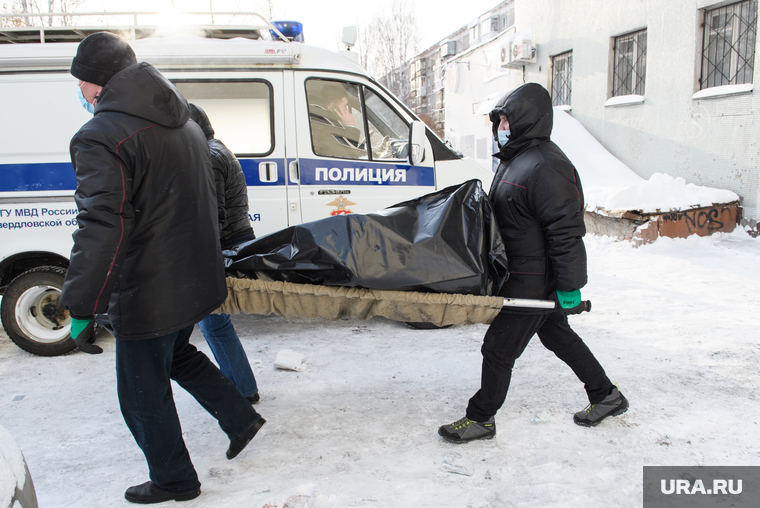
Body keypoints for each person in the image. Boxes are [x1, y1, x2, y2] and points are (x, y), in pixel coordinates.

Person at [60, 32, 265, 504]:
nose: (81, 94)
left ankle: (175, 479)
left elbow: (101, 227)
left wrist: (82, 304)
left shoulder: (99, 136)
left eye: (80, 83)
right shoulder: (186, 123)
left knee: (140, 391)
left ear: (95, 84)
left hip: (148, 289)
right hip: (194, 277)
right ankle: (239, 416)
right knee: (177, 356)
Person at [438, 83, 628, 444]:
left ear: (528, 119)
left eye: (508, 118)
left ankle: (481, 418)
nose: (503, 126)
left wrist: (570, 285)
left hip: (535, 278)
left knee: (498, 348)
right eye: (501, 120)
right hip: (521, 272)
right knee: (557, 335)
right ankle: (606, 395)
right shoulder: (518, 160)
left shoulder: (547, 166)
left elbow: (566, 231)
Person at [188, 103, 260, 404]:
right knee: (213, 322)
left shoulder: (211, 156)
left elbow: (213, 213)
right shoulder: (215, 149)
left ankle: (242, 390)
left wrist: (204, 255)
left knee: (214, 321)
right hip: (230, 240)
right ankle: (242, 387)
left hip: (226, 243)